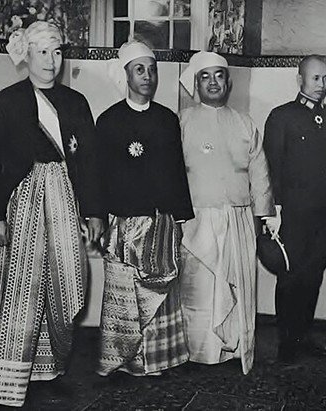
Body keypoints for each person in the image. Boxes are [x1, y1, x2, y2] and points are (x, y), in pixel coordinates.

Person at [0, 21, 104, 407]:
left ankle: (49, 370)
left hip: (64, 199)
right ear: (26, 55)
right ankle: (10, 379)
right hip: (22, 201)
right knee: (22, 288)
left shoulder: (76, 103)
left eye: (57, 52)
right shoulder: (6, 101)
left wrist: (94, 212)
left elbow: (90, 163)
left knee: (67, 285)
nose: (51, 61)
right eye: (42, 52)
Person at [96, 40, 194, 377]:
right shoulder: (108, 121)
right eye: (140, 70)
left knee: (160, 292)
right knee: (125, 296)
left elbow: (177, 171)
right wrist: (100, 216)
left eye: (152, 70)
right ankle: (123, 361)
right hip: (124, 224)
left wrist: (180, 217)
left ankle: (158, 360)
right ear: (126, 75)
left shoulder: (167, 119)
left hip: (161, 221)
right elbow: (99, 175)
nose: (147, 76)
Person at [178, 51, 275, 374]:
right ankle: (198, 352)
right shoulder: (182, 122)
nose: (213, 83)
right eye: (205, 77)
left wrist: (260, 216)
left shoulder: (245, 122)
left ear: (228, 82)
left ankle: (234, 349)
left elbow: (260, 174)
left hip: (238, 219)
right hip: (195, 220)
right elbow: (171, 173)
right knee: (199, 293)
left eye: (219, 76)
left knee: (238, 288)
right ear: (197, 84)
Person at [263, 55, 326, 363]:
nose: (321, 85)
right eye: (315, 78)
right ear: (299, 79)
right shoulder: (282, 117)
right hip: (293, 216)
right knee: (290, 278)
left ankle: (304, 336)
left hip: (325, 215)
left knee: (313, 277)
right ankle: (287, 343)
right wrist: (273, 210)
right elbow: (272, 166)